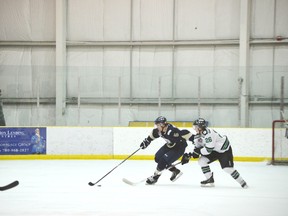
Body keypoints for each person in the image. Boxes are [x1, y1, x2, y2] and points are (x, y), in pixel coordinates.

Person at [181, 118, 248, 189]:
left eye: (196, 127)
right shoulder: (197, 136)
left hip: (224, 150)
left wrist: (198, 152)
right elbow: (197, 148)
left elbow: (208, 150)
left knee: (227, 168)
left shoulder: (209, 134)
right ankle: (210, 179)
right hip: (214, 150)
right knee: (201, 161)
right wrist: (190, 155)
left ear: (200, 127)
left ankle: (242, 182)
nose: (194, 129)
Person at [140, 116, 194, 185]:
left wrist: (191, 153)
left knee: (163, 161)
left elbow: (186, 134)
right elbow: (153, 134)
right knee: (157, 158)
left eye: (158, 125)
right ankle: (175, 171)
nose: (157, 127)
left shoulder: (172, 131)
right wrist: (147, 141)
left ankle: (155, 177)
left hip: (179, 148)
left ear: (162, 125)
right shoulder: (160, 130)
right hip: (170, 145)